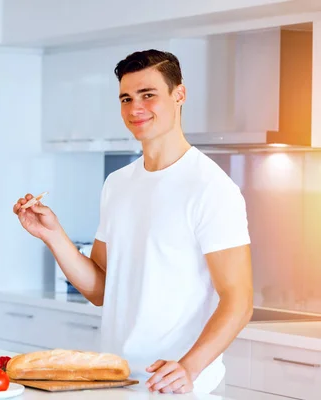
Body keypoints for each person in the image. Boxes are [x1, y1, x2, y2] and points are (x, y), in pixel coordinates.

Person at [13, 49, 253, 394]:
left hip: (180, 386)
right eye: (126, 98)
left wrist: (190, 367)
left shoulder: (211, 189)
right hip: (117, 377)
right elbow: (100, 289)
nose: (135, 108)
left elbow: (239, 299)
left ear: (179, 95)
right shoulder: (118, 184)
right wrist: (53, 236)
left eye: (148, 95)